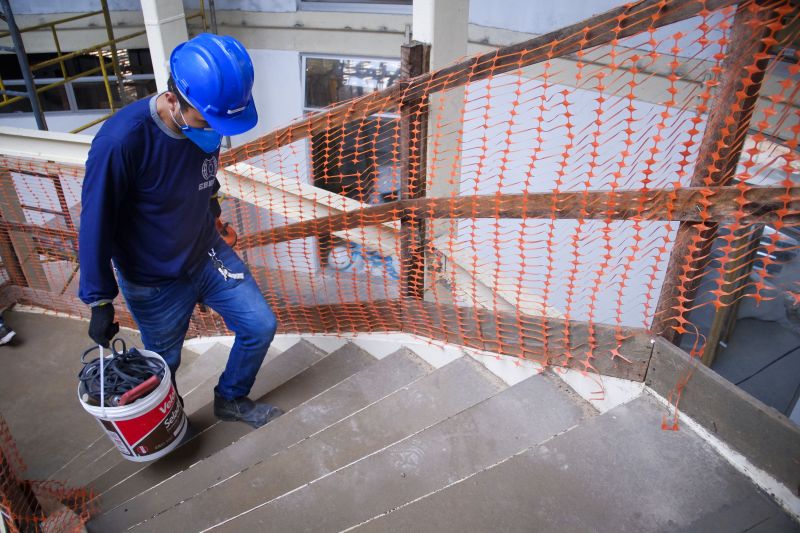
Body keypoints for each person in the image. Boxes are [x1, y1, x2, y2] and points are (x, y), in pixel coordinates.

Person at [78, 34, 282, 429]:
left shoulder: (203, 121)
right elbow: (95, 223)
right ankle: (170, 422)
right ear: (173, 99)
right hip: (154, 280)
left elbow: (203, 179)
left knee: (260, 325)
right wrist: (99, 300)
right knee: (165, 363)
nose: (215, 133)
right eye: (207, 122)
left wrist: (215, 218)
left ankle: (231, 398)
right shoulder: (121, 142)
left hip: (206, 253)